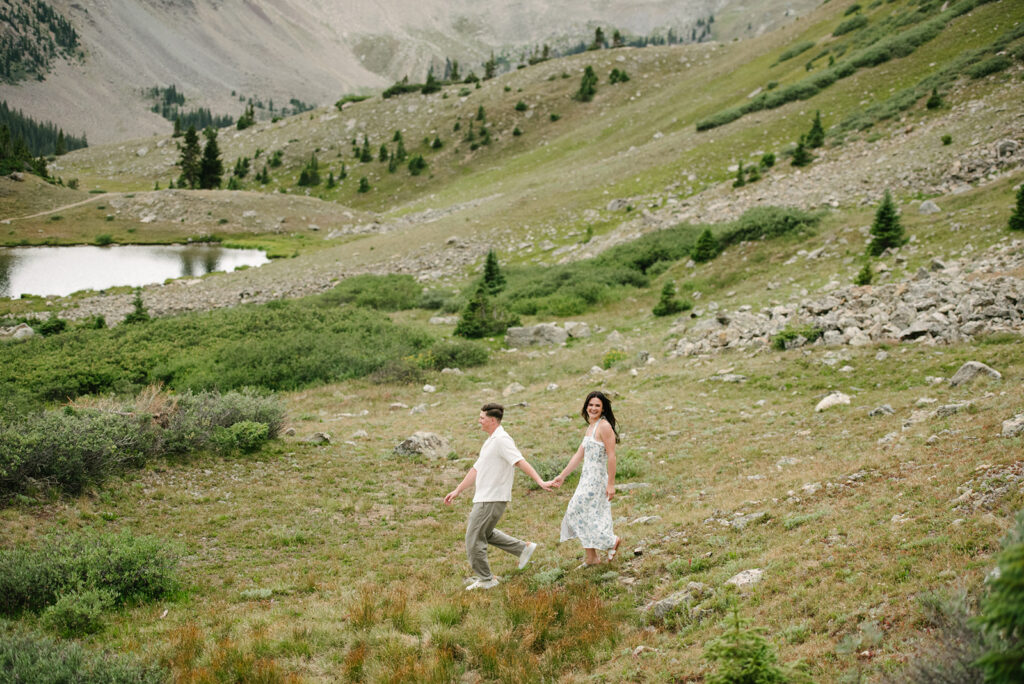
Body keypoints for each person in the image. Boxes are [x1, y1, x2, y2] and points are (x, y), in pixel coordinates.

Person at [444, 403, 552, 590]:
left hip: (492, 498)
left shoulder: (502, 440)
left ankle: (486, 580)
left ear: (492, 420)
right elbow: (476, 469)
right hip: (484, 497)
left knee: (473, 538)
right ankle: (523, 548)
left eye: (482, 418)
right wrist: (458, 490)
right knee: (486, 533)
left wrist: (540, 481)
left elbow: (519, 461)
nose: (479, 421)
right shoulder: (491, 441)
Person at [547, 390, 621, 567]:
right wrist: (562, 476)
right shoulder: (590, 427)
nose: (593, 408)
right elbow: (578, 455)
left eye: (597, 405)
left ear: (603, 409)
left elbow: (612, 456)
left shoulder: (604, 426)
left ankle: (611, 541)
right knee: (581, 513)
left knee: (576, 509)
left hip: (596, 479)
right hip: (585, 478)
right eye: (590, 405)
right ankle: (592, 558)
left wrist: (611, 484)